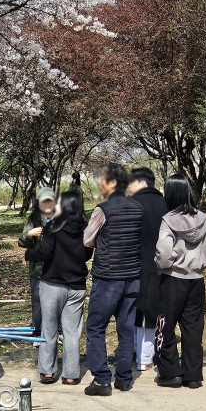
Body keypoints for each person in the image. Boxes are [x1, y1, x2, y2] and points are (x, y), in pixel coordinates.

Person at [83, 163, 144, 396]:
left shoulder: (103, 210)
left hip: (108, 277)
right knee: (126, 328)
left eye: (101, 180)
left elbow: (87, 240)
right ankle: (124, 378)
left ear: (110, 182)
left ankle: (101, 380)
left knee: (96, 327)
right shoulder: (138, 208)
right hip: (133, 276)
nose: (99, 184)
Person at [154, 175, 206, 389]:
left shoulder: (168, 220)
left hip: (173, 278)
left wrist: (165, 264)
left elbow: (163, 252)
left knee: (165, 326)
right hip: (196, 280)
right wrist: (202, 263)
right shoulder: (203, 218)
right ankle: (193, 375)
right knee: (193, 328)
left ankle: (170, 373)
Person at [25, 190, 93, 385]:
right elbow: (87, 255)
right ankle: (71, 374)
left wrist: (29, 253)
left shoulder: (55, 226)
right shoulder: (86, 227)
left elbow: (43, 252)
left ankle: (48, 371)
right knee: (72, 332)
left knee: (49, 328)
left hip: (52, 284)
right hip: (77, 286)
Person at [127, 168, 167, 372]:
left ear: (142, 182)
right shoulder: (165, 203)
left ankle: (140, 356)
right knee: (154, 311)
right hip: (162, 264)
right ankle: (148, 356)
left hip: (135, 264)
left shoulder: (133, 204)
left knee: (137, 311)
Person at [18, 187, 57, 339]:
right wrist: (29, 234)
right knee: (38, 302)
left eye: (49, 201)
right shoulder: (33, 219)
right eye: (43, 201)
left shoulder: (61, 218)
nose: (47, 204)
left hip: (57, 268)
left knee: (56, 302)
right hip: (38, 269)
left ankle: (57, 330)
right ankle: (37, 330)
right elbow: (22, 242)